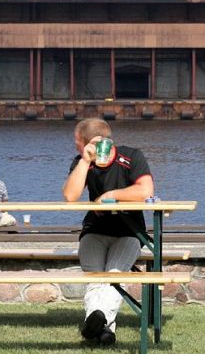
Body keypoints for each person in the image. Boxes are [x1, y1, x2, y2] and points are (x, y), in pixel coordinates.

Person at [62, 118, 154, 346]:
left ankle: (95, 324)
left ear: (89, 141)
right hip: (94, 230)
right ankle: (104, 329)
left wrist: (111, 195)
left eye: (77, 142)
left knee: (113, 276)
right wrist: (85, 161)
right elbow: (70, 196)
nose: (75, 146)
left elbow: (146, 191)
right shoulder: (81, 162)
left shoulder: (131, 156)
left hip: (129, 231)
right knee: (95, 280)